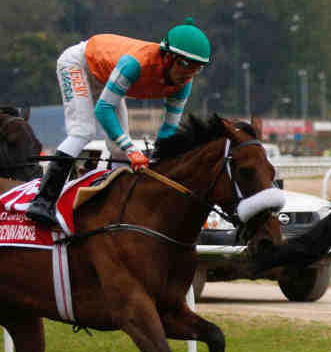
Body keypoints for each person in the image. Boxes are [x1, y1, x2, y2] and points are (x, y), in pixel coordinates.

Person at [26, 18, 210, 228]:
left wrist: (157, 160)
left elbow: (168, 129)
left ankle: (115, 209)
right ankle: (42, 202)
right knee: (82, 131)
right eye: (185, 64)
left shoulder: (184, 84)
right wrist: (132, 149)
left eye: (197, 68)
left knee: (119, 150)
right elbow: (103, 110)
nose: (189, 73)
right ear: (168, 57)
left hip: (106, 76)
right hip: (78, 64)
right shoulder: (135, 64)